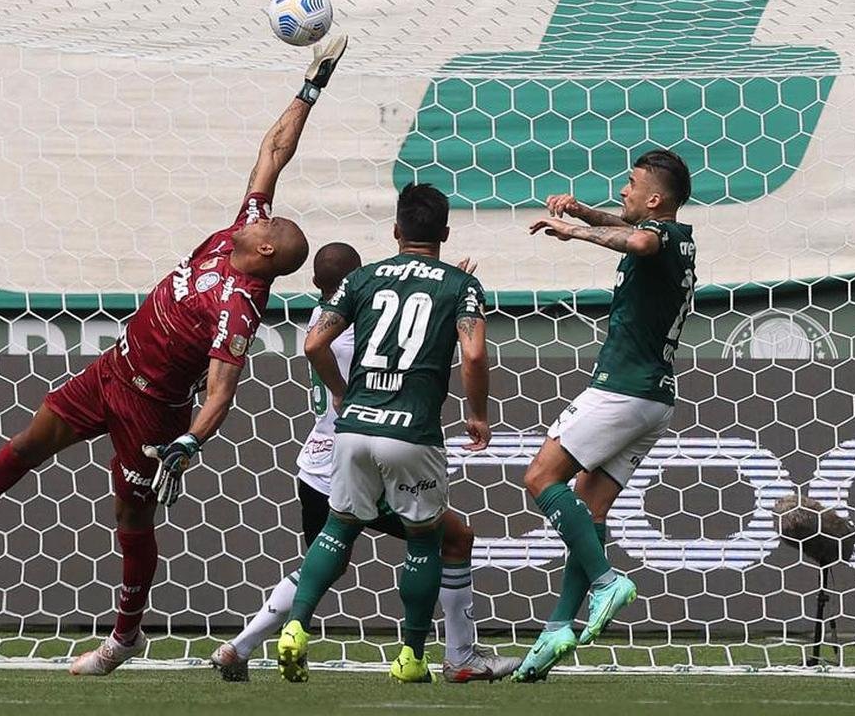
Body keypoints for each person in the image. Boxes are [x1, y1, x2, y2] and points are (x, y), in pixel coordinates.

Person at [0, 35, 349, 676]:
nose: (257, 216)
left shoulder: (240, 304)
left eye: (266, 226)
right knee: (31, 439)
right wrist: (310, 86)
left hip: (153, 411)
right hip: (111, 369)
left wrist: (189, 441)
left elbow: (220, 391)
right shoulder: (236, 229)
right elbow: (273, 154)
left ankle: (125, 636)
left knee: (130, 518)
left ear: (268, 254)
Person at [209, 242, 516, 683]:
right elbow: (403, 333)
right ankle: (456, 655)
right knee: (450, 538)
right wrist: (444, 288)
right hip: (372, 449)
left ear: (318, 284)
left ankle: (239, 647)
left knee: (323, 560)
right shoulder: (360, 333)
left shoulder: (321, 319)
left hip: (317, 461)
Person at [278, 183, 491, 685]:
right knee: (424, 541)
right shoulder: (459, 284)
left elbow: (314, 344)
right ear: (443, 231)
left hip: (353, 429)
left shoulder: (363, 279)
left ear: (396, 231)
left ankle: (295, 628)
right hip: (412, 431)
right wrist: (477, 414)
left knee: (336, 529)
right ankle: (412, 656)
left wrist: (342, 393)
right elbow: (475, 354)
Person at [514, 149, 696, 682]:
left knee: (540, 477)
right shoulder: (676, 239)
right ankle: (555, 630)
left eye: (632, 183)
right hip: (653, 399)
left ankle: (605, 581)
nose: (624, 190)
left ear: (656, 198)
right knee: (590, 511)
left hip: (621, 389)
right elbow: (629, 226)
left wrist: (574, 234)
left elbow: (637, 238)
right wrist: (582, 213)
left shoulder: (660, 238)